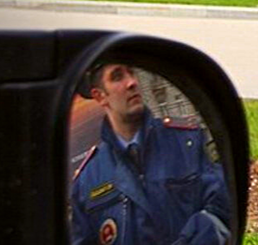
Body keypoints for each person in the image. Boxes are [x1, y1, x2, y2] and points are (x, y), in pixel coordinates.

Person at [70, 63, 230, 245]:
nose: (132, 82)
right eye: (117, 77)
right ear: (100, 96)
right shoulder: (87, 179)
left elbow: (222, 207)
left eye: (131, 72)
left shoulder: (186, 144)